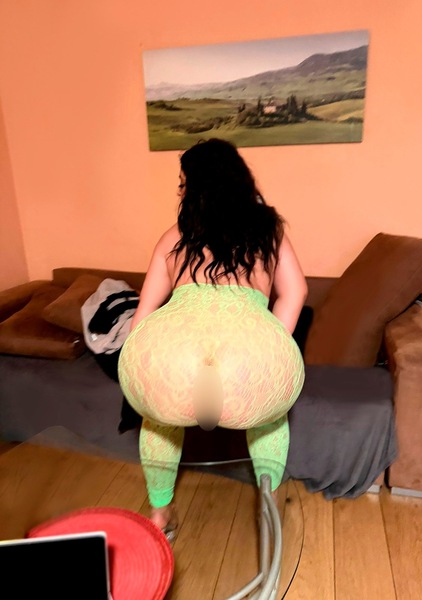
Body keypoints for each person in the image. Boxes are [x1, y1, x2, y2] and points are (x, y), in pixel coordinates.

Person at [118, 138, 307, 537]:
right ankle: (269, 510)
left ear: (196, 188)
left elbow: (144, 313)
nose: (180, 190)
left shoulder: (174, 236)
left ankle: (160, 514)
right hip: (242, 366)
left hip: (176, 362)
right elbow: (296, 292)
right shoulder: (268, 231)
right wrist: (272, 340)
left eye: (183, 183)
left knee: (158, 421)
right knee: (270, 420)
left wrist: (138, 369)